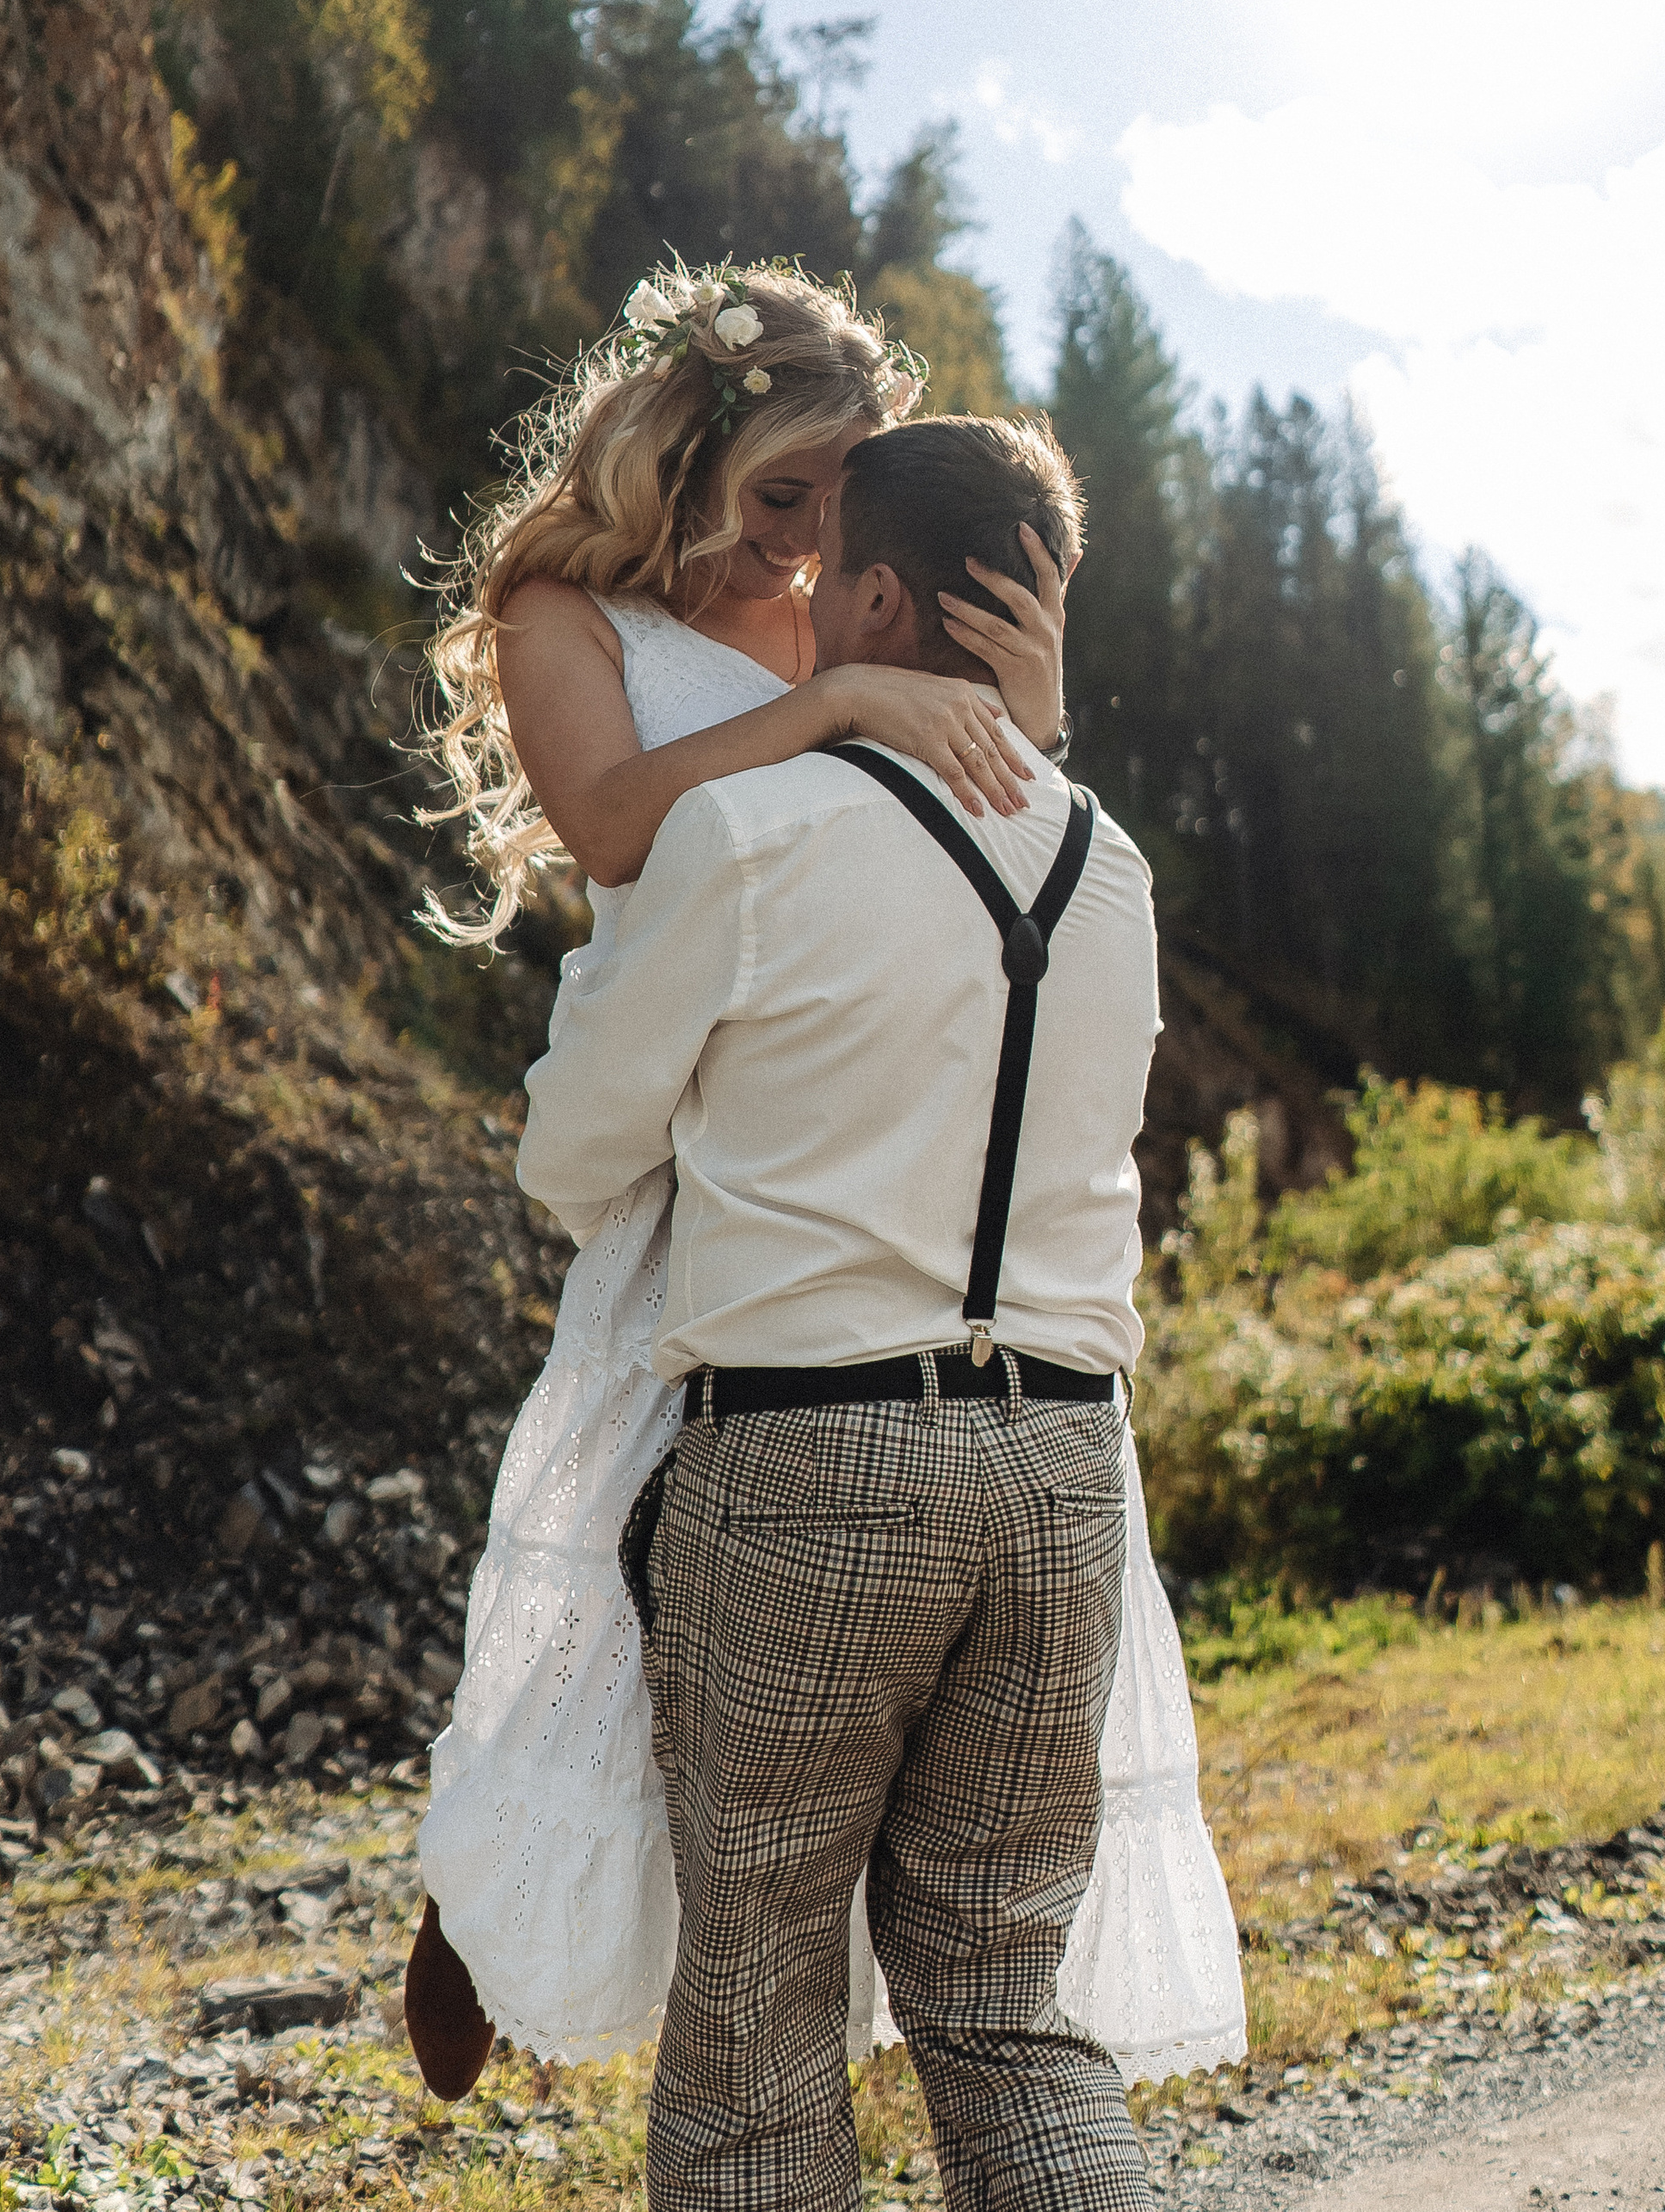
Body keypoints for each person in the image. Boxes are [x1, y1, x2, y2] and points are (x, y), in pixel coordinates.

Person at [410, 267, 1243, 2109]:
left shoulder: (831, 623)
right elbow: (623, 825)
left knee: (716, 1596)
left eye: (830, 505)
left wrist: (1014, 732)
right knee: (613, 1543)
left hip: (818, 1117)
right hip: (683, 1093)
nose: (803, 542)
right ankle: (488, 1890)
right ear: (691, 447)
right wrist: (844, 695)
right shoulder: (570, 607)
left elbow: (932, 872)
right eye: (780, 496)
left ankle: (536, 1906)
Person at [518, 410, 1176, 2210]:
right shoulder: (1107, 866)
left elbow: (572, 1153)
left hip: (808, 1465)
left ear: (870, 590)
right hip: (1059, 1476)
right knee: (1001, 2009)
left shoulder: (749, 832)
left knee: (752, 2031)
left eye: (821, 584)